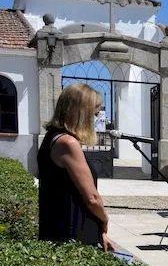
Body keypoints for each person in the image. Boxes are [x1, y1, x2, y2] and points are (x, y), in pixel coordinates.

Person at [37, 82, 114, 251]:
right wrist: (105, 220)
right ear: (81, 113)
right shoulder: (68, 143)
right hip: (72, 233)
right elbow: (92, 198)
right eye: (94, 111)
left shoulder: (52, 137)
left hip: (60, 229)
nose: (96, 116)